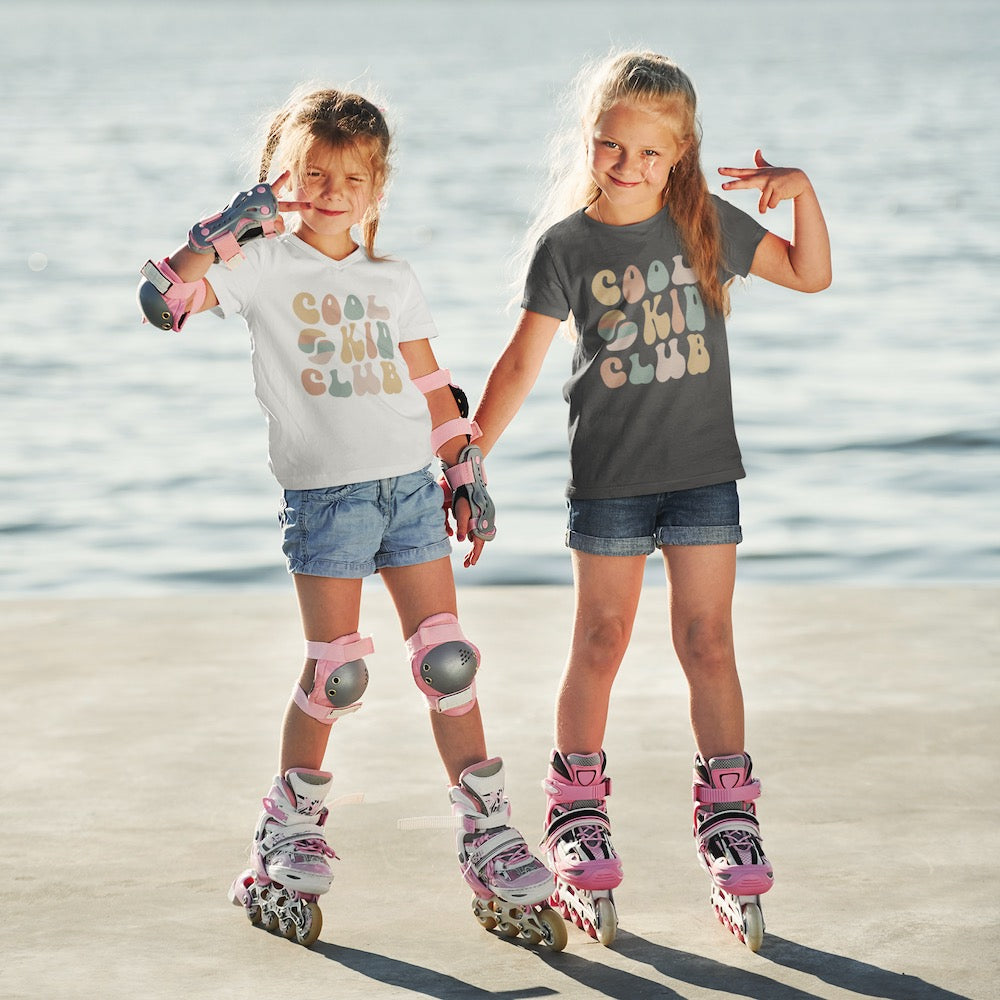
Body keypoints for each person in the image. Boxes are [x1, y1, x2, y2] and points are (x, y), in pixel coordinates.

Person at [136, 85, 553, 946]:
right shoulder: (255, 268)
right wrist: (218, 237)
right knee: (337, 674)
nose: (331, 189)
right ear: (277, 175)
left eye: (351, 177)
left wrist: (464, 470)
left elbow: (432, 386)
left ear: (376, 190)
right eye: (312, 171)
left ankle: (490, 835)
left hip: (407, 489)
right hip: (326, 499)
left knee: (447, 661)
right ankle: (284, 838)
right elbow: (163, 303)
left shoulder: (391, 279)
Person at [469, 50, 831, 944]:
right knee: (602, 638)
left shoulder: (703, 221)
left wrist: (804, 191)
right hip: (612, 482)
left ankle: (728, 812)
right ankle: (576, 811)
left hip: (705, 473)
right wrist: (466, 455)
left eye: (646, 153)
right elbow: (520, 364)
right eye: (609, 146)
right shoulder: (567, 246)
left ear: (680, 155)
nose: (626, 165)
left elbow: (811, 274)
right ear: (590, 143)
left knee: (707, 641)